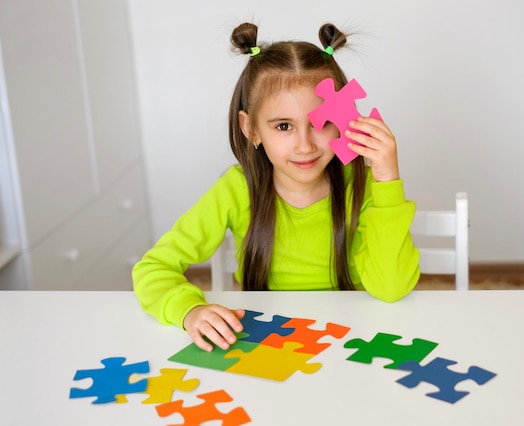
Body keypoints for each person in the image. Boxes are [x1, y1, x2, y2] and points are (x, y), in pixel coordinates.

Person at [133, 22, 420, 352]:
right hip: (267, 343)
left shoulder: (364, 186)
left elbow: (392, 288)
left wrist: (387, 179)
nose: (304, 146)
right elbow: (153, 268)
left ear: (345, 118)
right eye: (284, 126)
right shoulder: (237, 189)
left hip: (353, 341)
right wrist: (188, 310)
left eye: (322, 123)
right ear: (251, 128)